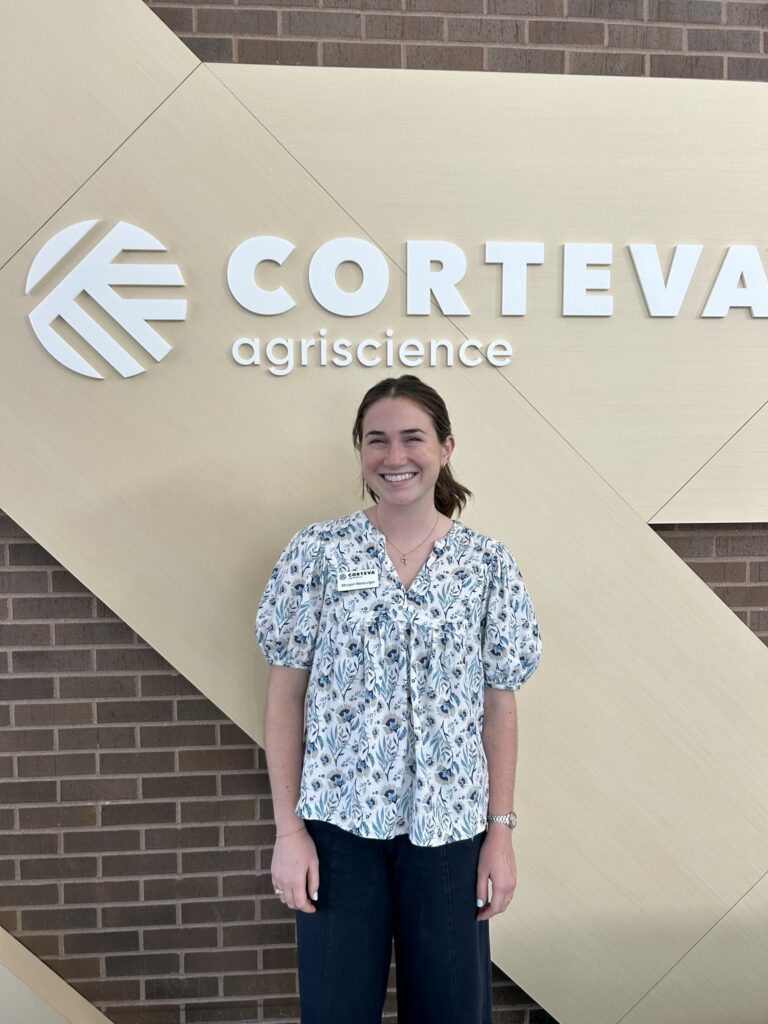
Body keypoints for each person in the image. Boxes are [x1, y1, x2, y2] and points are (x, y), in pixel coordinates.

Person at [255, 374, 542, 1024]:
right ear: (360, 452)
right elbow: (284, 697)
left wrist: (500, 834)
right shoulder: (319, 553)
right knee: (335, 1011)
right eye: (376, 440)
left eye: (413, 438)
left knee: (450, 1012)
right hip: (337, 830)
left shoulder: (486, 565)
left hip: (449, 833)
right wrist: (288, 832)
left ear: (445, 447)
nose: (395, 456)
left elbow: (500, 705)